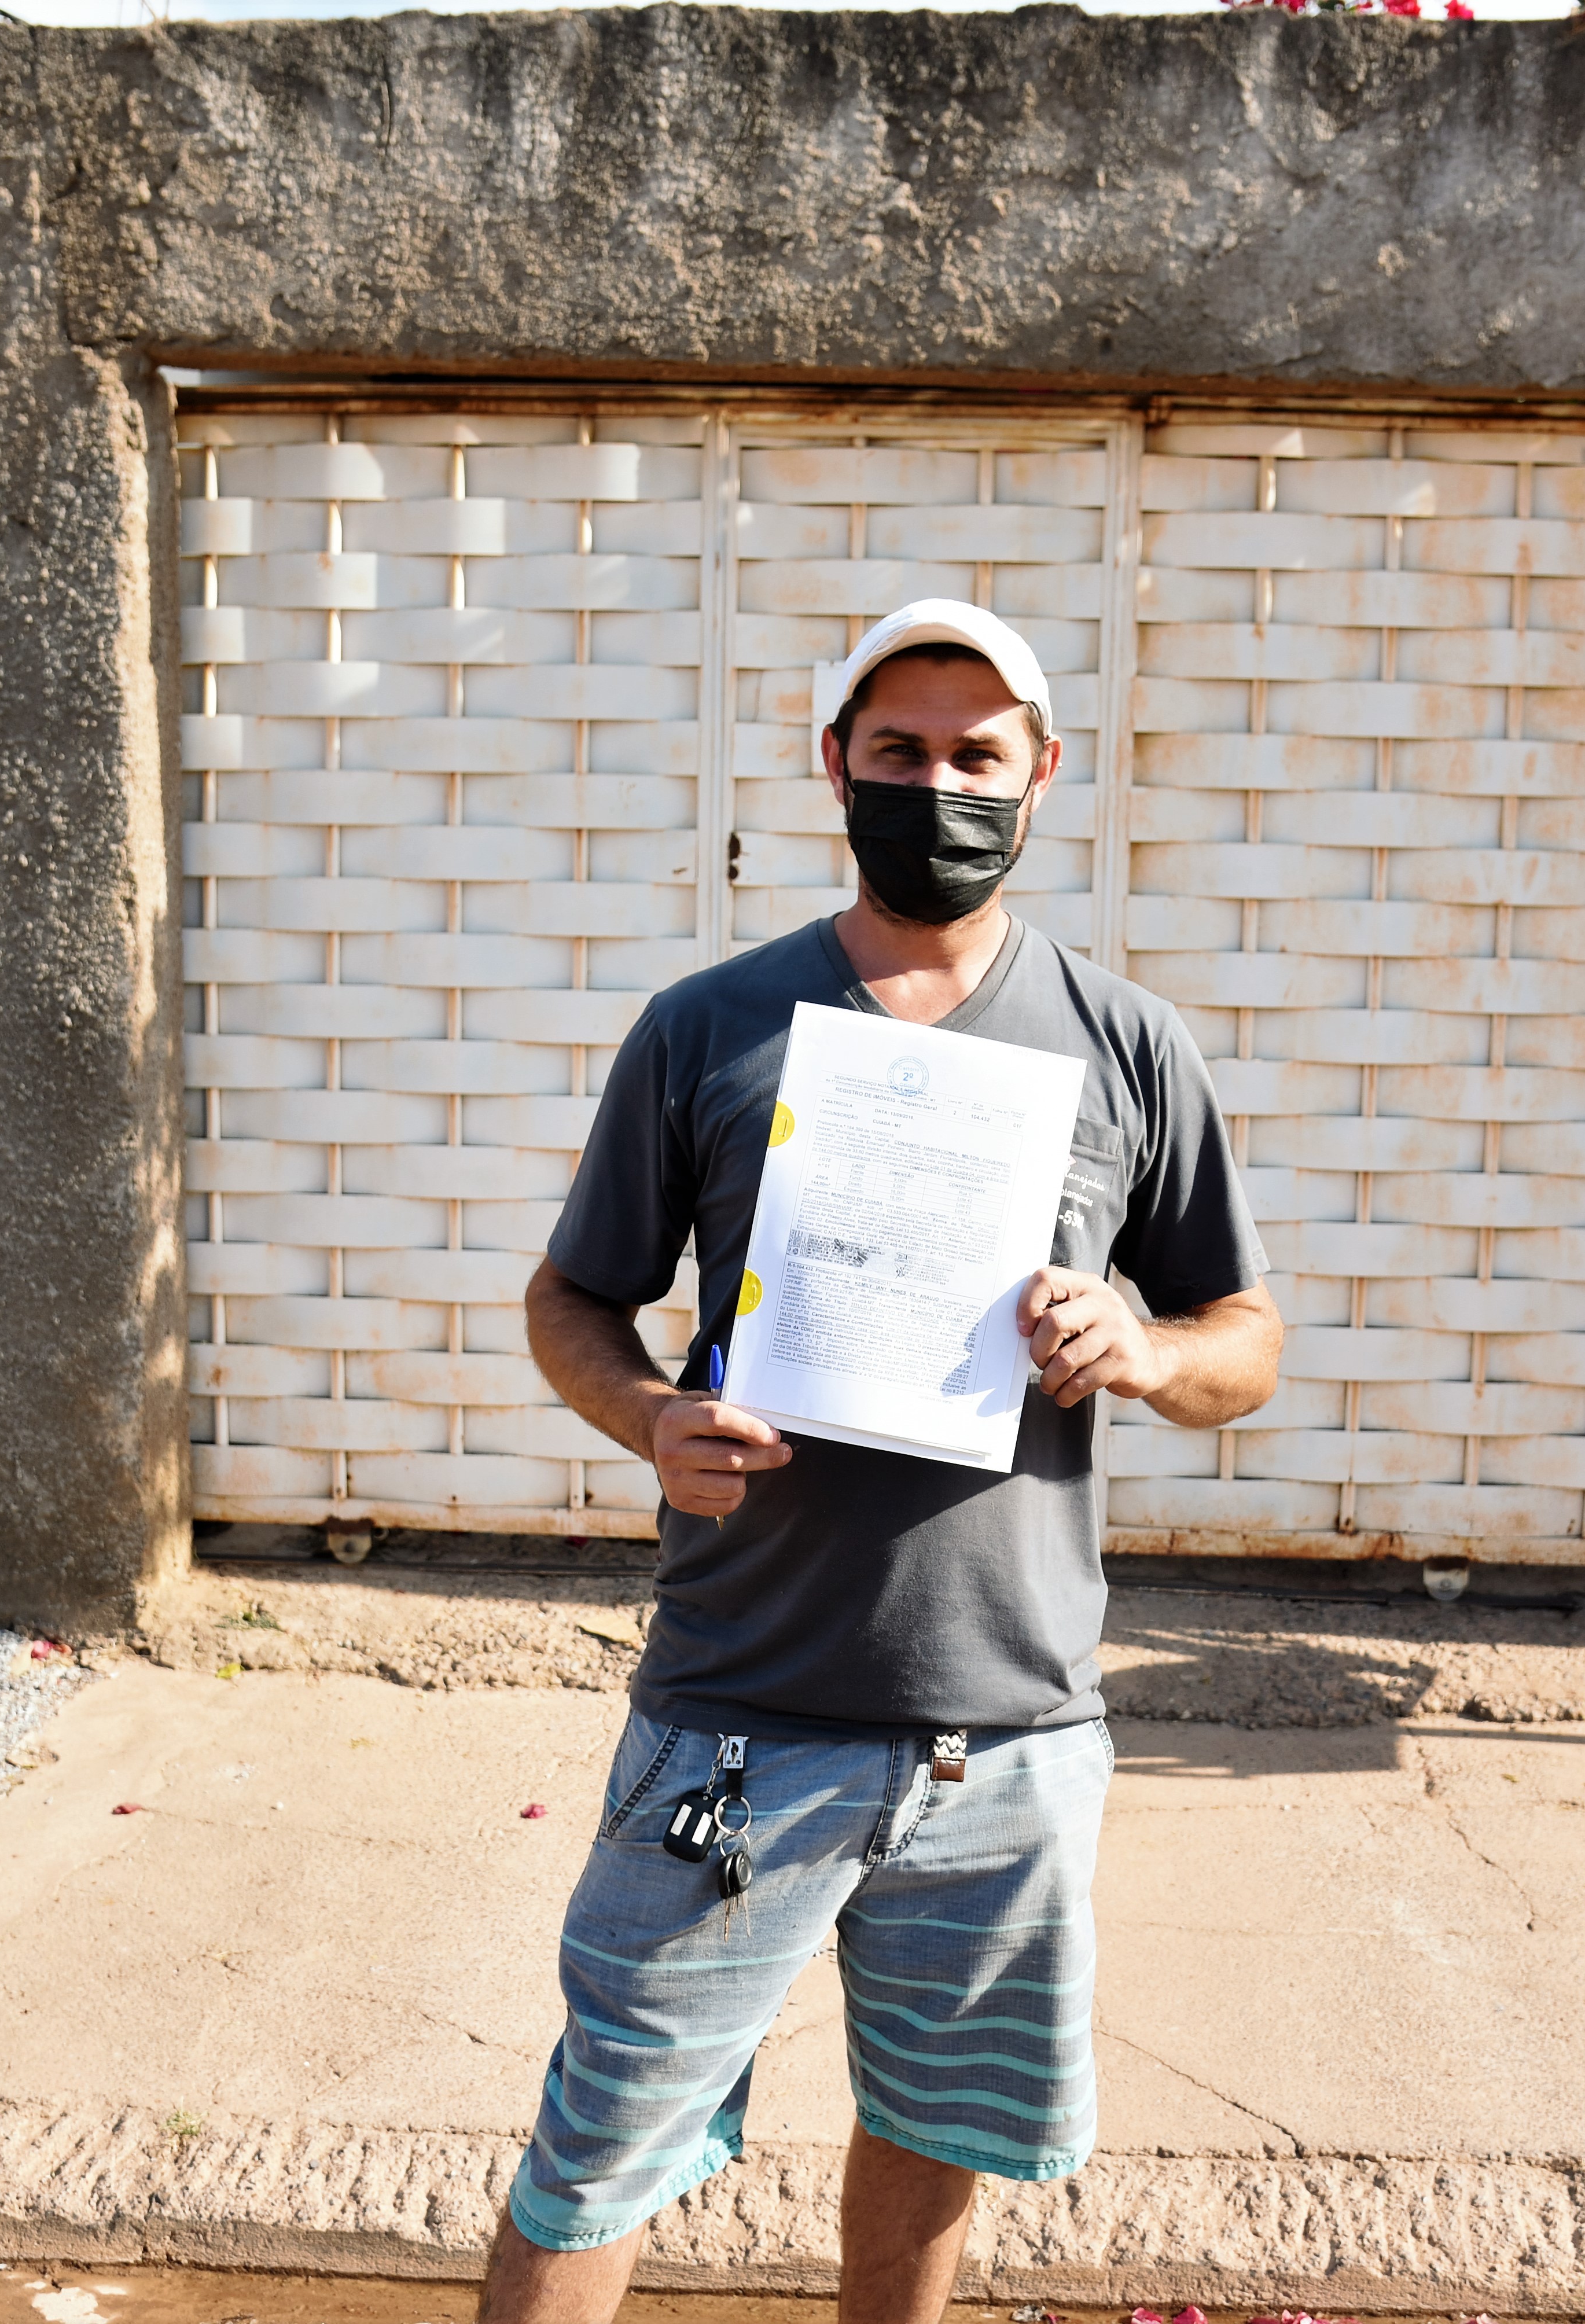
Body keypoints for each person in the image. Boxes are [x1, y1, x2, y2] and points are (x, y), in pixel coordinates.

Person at [490, 600, 1283, 2324]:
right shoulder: (709, 1027)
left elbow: (1246, 1338)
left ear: (1042, 776)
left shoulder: (1126, 1044)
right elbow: (571, 1298)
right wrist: (647, 1416)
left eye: (978, 755)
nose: (940, 786)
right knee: (605, 2139)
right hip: (738, 1712)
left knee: (935, 2134)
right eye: (901, 750)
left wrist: (1148, 1350)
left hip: (1007, 1731)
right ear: (835, 767)